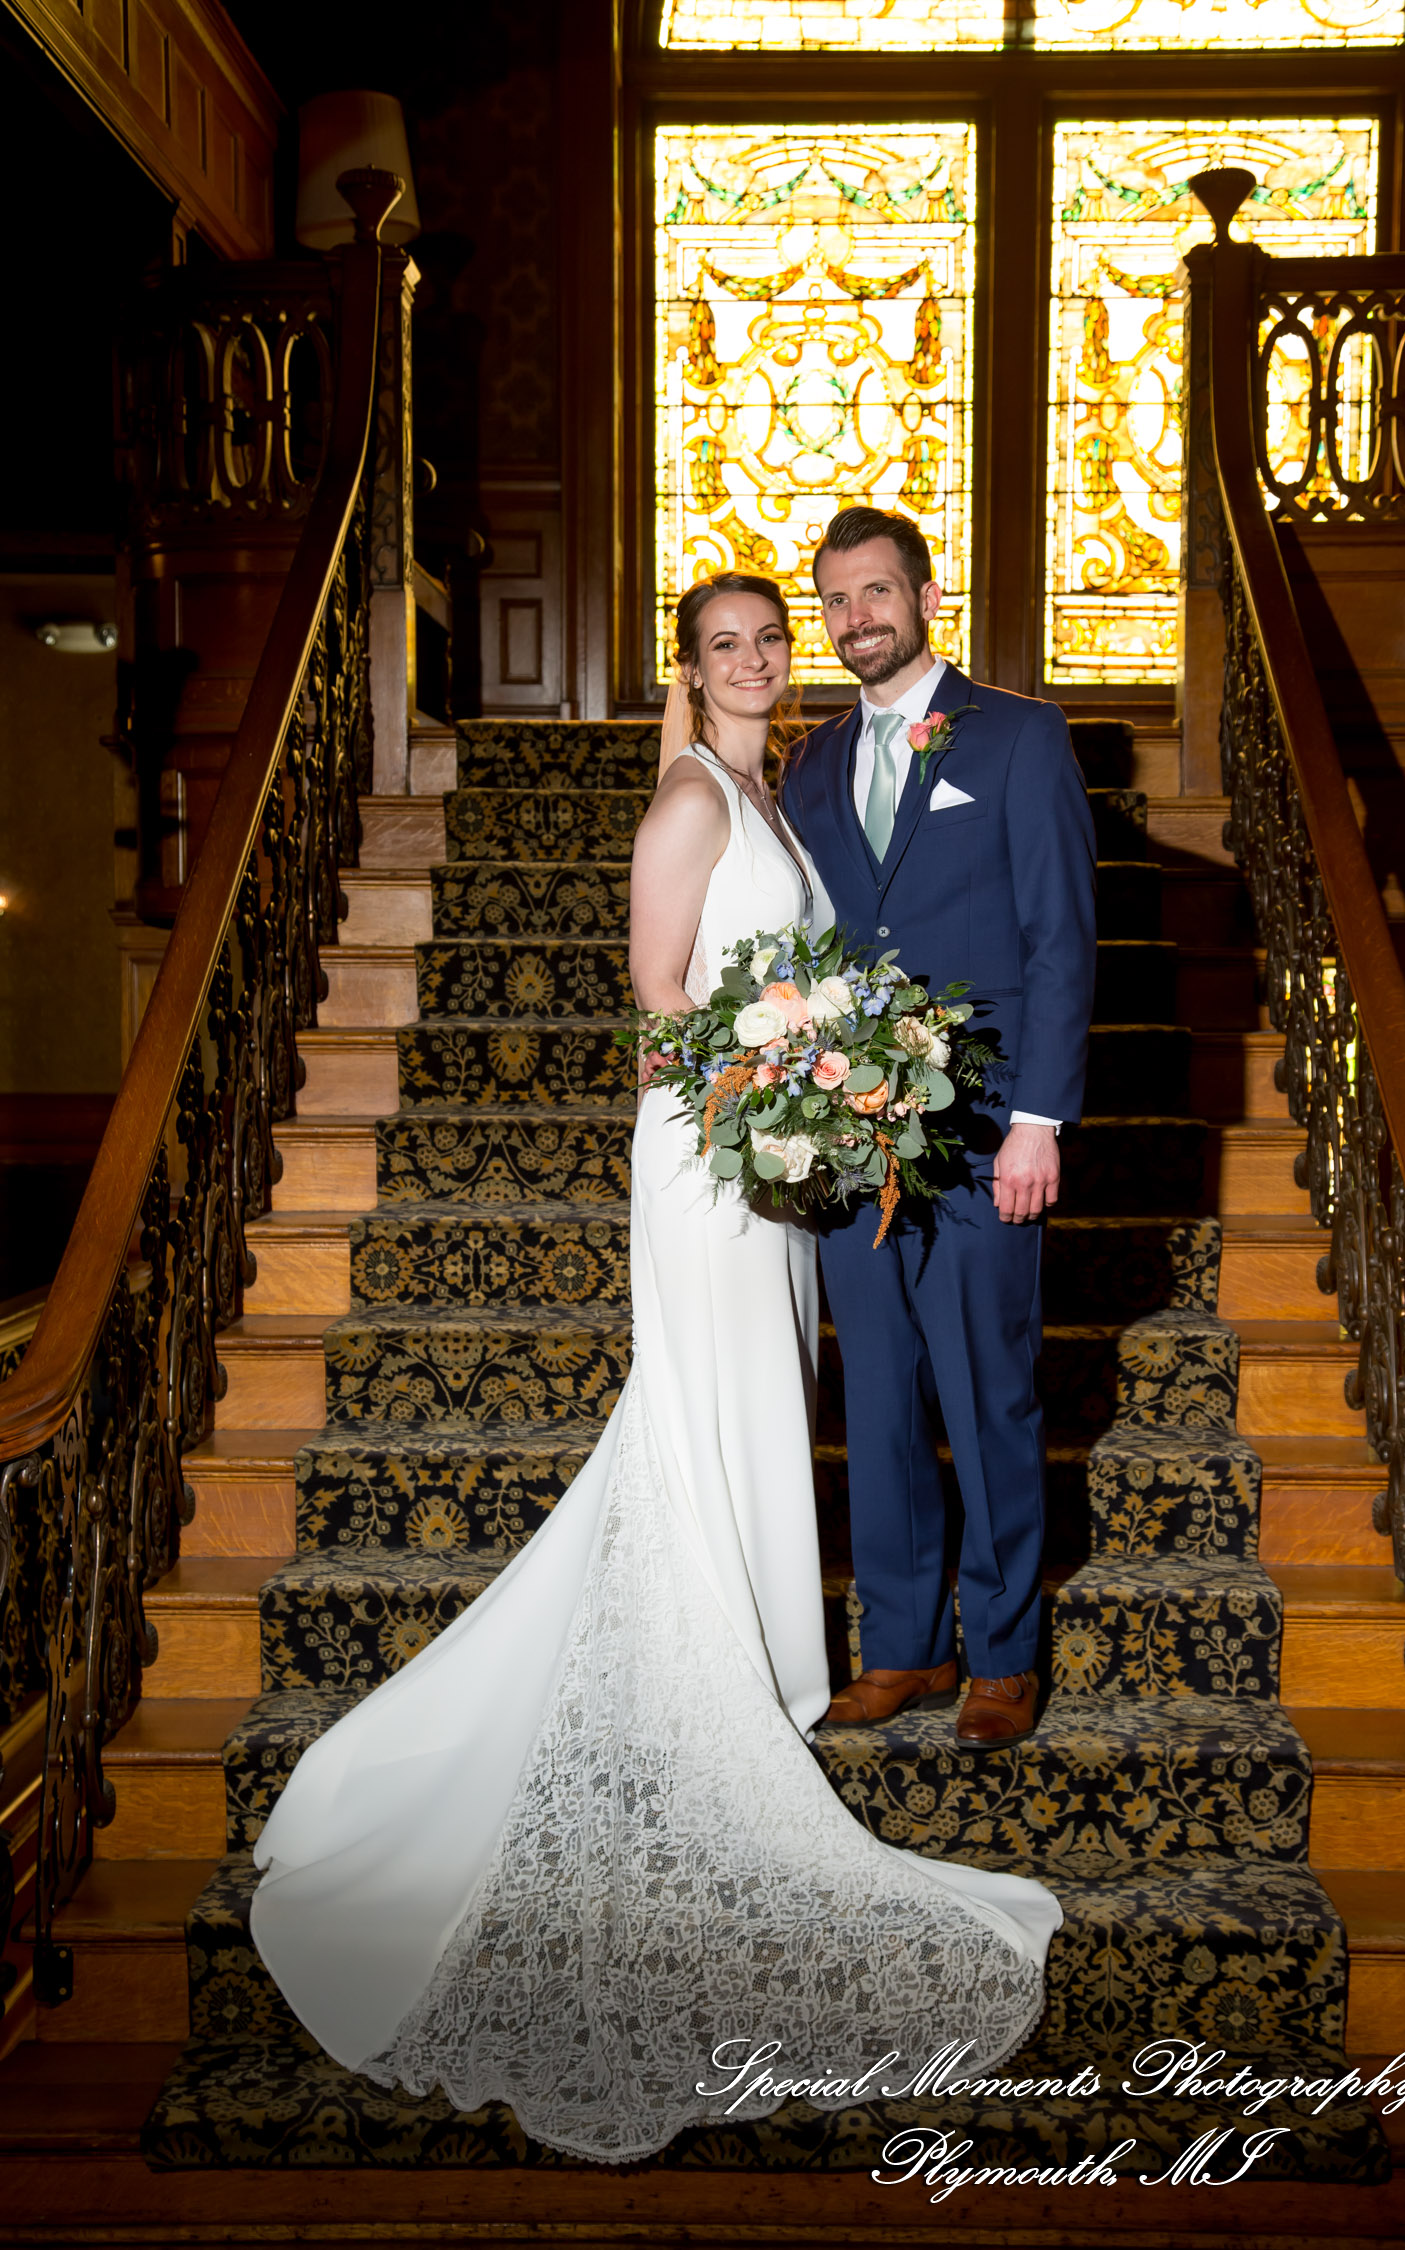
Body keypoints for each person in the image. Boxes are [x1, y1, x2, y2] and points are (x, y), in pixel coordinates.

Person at [248, 570, 1062, 2165]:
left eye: (779, 636)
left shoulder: (782, 788)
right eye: (732, 645)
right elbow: (655, 996)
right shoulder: (692, 801)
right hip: (713, 1159)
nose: (762, 657)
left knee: (762, 1403)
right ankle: (721, 1672)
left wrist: (820, 1104)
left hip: (782, 1154)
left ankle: (764, 1652)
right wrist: (763, 1116)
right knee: (705, 1405)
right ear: (688, 672)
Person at [779, 508, 1096, 1749]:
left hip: (980, 1136)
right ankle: (902, 1645)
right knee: (880, 1398)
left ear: (923, 594)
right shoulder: (807, 769)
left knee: (989, 1392)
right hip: (849, 1135)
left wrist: (1038, 1119)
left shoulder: (1018, 738)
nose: (859, 617)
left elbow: (1060, 940)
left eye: (877, 593)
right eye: (838, 601)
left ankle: (1005, 1654)